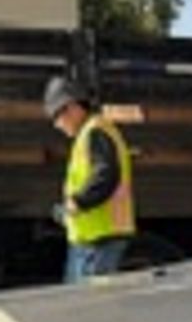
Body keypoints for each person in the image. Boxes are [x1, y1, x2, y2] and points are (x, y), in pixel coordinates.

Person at [47, 76, 137, 282]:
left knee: (91, 308)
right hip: (92, 239)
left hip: (101, 240)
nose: (57, 125)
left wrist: (79, 202)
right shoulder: (89, 134)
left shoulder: (96, 132)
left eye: (57, 117)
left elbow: (105, 174)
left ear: (72, 108)